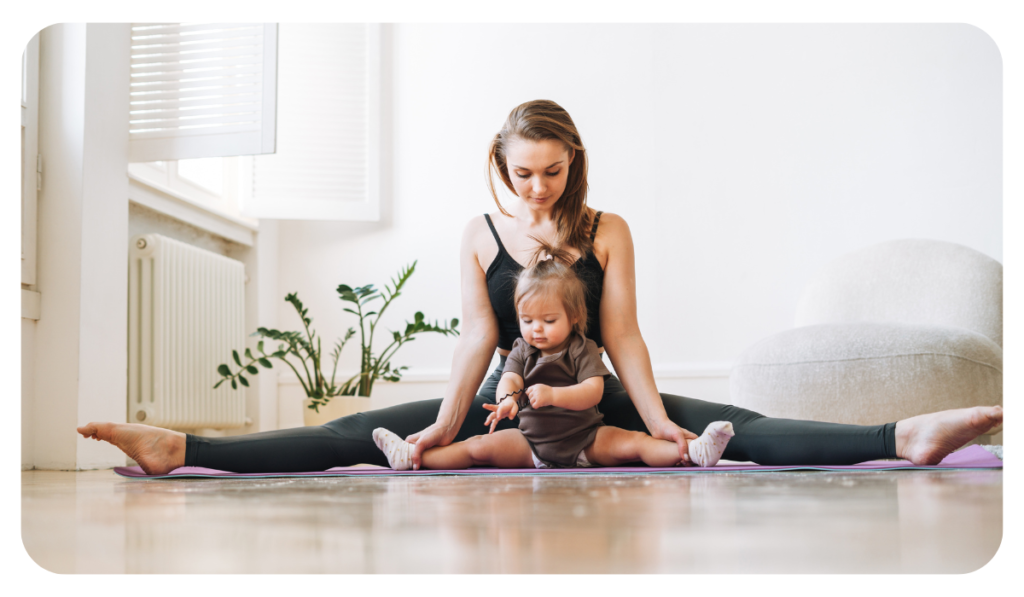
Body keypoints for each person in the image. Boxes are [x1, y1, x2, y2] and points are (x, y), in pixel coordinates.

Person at [78, 99, 1003, 475]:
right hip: (504, 399)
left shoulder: (609, 230)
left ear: (574, 164)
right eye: (524, 173)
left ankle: (903, 434)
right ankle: (182, 444)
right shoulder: (479, 234)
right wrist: (447, 419)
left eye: (553, 171)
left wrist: (659, 417)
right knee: (352, 432)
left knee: (735, 427)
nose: (538, 188)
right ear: (502, 166)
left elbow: (628, 335)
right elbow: (478, 342)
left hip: (591, 387)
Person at [371, 243, 735, 471]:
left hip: (587, 440)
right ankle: (412, 457)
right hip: (530, 443)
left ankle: (693, 452)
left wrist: (553, 395)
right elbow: (511, 379)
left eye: (548, 320)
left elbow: (593, 391)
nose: (536, 330)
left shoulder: (581, 347)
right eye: (527, 320)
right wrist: (506, 402)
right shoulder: (522, 349)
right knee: (474, 448)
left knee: (636, 444)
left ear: (573, 318)